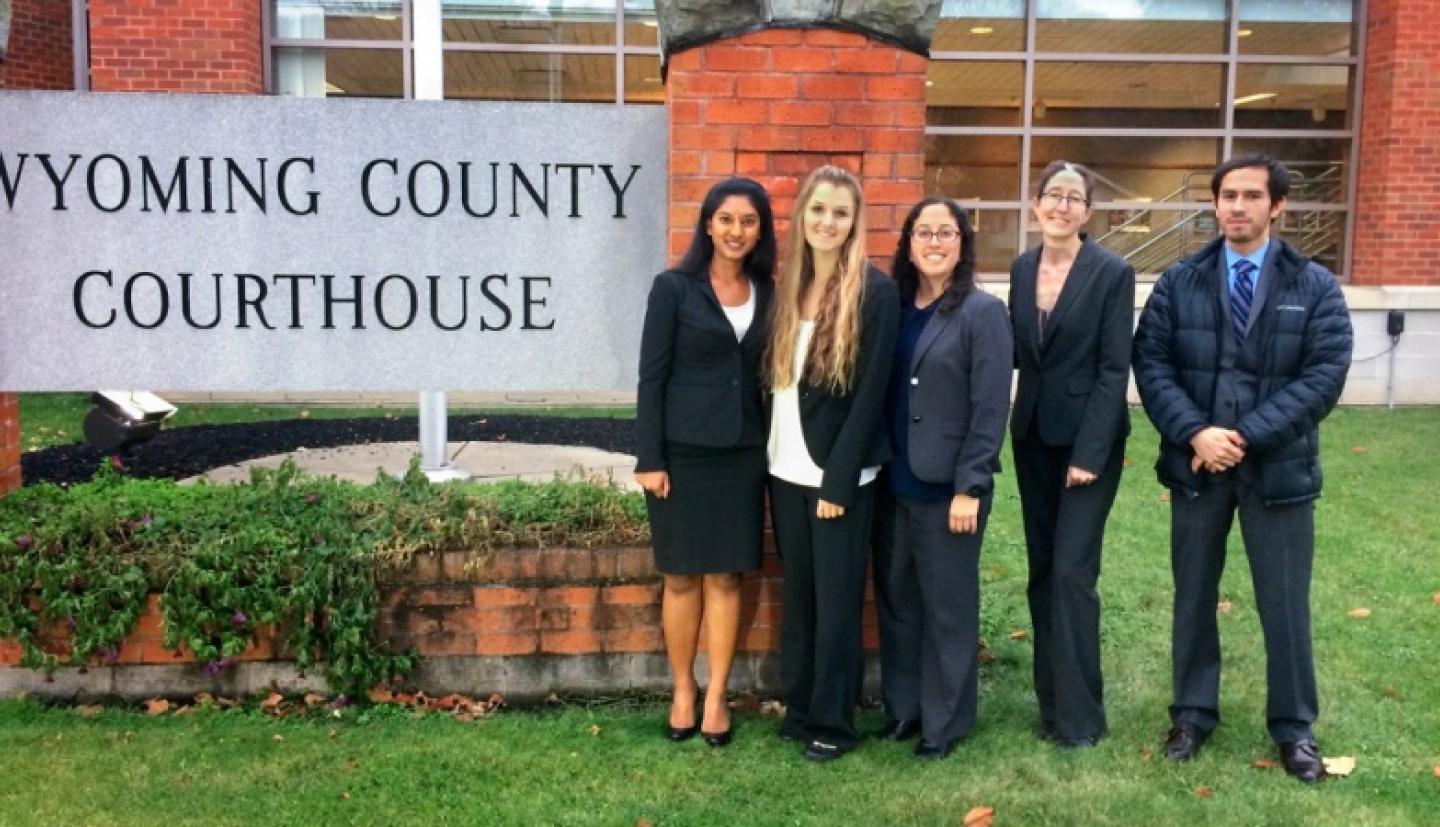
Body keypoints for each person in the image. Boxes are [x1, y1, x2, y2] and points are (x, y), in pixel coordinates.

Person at [1132, 154, 1352, 783]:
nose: (1236, 206)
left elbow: (1324, 377)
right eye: (1228, 194)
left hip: (1279, 472)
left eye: (1251, 195)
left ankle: (1294, 729)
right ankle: (1192, 714)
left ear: (1276, 206)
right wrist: (1196, 432)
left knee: (1284, 604)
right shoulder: (1181, 280)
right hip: (1197, 467)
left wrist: (1246, 435)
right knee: (1193, 597)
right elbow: (1151, 361)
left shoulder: (1313, 286)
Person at [635, 177, 777, 748]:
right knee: (680, 577)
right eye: (725, 219)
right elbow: (652, 377)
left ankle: (716, 694)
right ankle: (682, 690)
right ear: (708, 224)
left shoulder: (768, 290)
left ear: (759, 229)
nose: (735, 231)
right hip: (682, 456)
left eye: (747, 221)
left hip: (743, 454)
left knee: (725, 576)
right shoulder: (673, 288)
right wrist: (650, 457)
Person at [765, 165, 899, 762]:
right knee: (801, 597)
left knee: (839, 602)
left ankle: (834, 724)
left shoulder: (876, 292)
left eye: (840, 212)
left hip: (837, 476)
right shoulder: (788, 285)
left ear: (854, 222)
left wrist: (839, 480)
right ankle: (800, 710)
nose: (828, 221)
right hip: (784, 467)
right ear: (803, 217)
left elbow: (872, 396)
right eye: (818, 209)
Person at [871, 198, 1013, 760]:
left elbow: (989, 407)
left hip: (947, 490)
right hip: (892, 481)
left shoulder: (982, 313)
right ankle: (905, 709)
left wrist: (970, 486)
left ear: (962, 243)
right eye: (923, 232)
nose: (934, 241)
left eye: (946, 233)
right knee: (898, 602)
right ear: (908, 242)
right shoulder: (896, 307)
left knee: (947, 609)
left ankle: (945, 723)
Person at [1008, 160, 1135, 748]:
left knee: (1072, 575)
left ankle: (1083, 718)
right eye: (1051, 196)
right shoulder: (1021, 268)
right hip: (1033, 438)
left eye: (1072, 198)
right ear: (1037, 205)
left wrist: (1089, 452)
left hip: (1088, 448)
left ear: (1087, 212)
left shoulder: (1112, 272)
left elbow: (1114, 369)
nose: (1060, 206)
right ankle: (1051, 706)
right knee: (1041, 574)